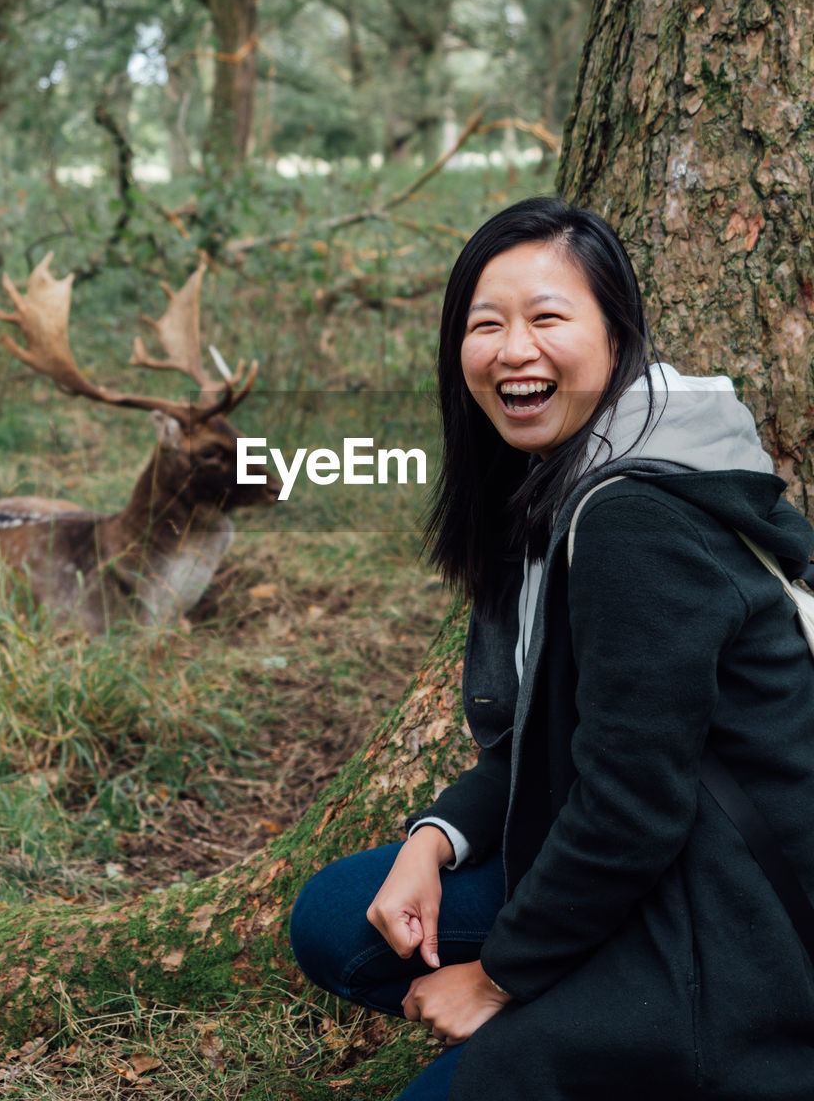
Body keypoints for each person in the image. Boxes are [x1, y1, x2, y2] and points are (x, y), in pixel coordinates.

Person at [289, 196, 814, 1100]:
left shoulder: (631, 521)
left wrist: (498, 978)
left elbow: (630, 804)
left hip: (734, 920)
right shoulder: (564, 479)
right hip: (656, 851)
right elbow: (553, 739)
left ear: (617, 334)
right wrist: (436, 840)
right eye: (485, 324)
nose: (513, 349)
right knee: (342, 920)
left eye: (548, 318)